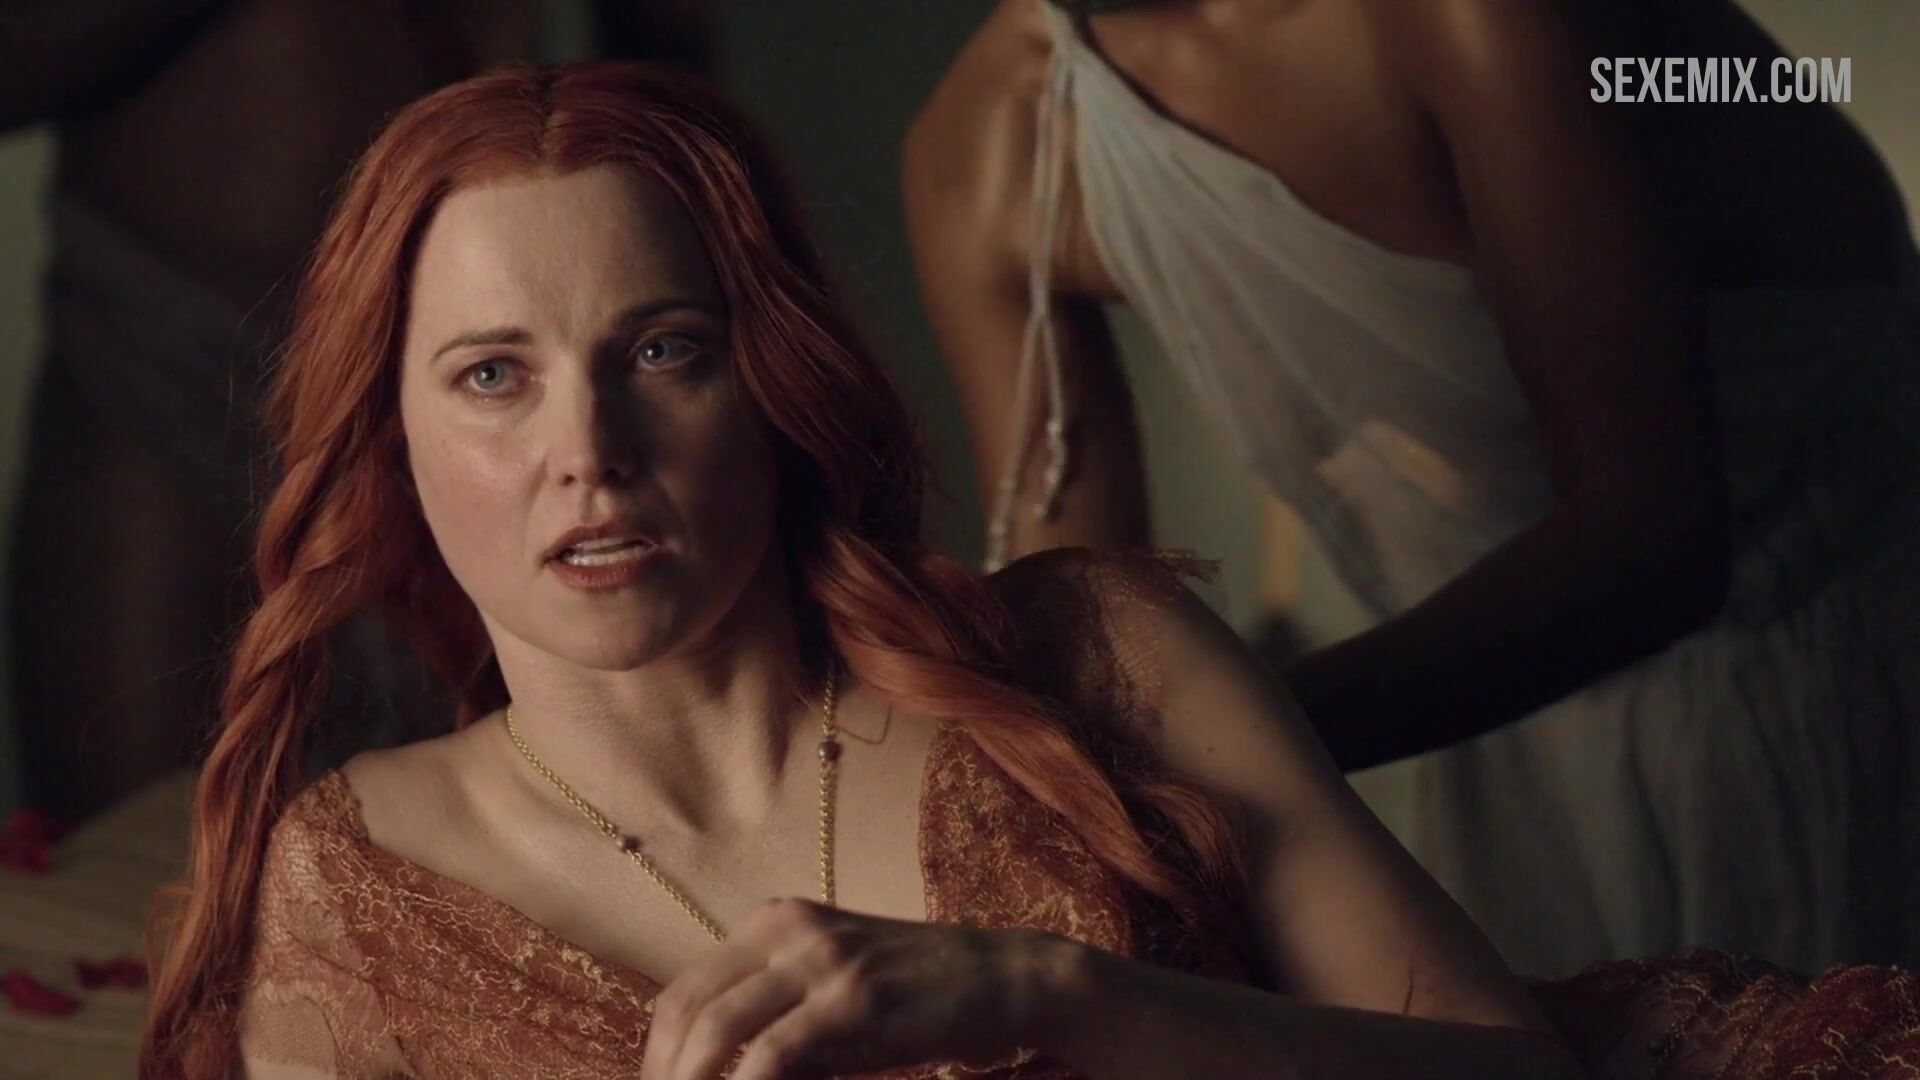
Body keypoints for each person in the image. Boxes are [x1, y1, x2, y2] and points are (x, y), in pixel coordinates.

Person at [135, 62, 1582, 1079]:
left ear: (775, 380)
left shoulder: (1103, 653)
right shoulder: (355, 886)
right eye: (492, 375)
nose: (590, 451)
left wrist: (1069, 998)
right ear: (390, 438)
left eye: (663, 350)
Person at [904, 0, 1920, 976]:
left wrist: (1229, 748)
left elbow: (1659, 545)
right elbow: (1078, 666)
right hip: (1518, 755)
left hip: (1842, 684)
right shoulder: (998, 150)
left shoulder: (1470, 18)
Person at [2, 0, 713, 823]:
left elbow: (671, 62)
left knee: (524, 806)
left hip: (486, 369)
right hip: (162, 349)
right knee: (133, 828)